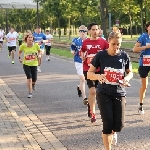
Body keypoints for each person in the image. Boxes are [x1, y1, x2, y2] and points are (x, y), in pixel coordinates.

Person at [87, 32, 133, 150]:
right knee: (107, 125)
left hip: (119, 93)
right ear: (108, 42)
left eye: (118, 44)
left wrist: (126, 79)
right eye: (113, 44)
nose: (116, 47)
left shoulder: (124, 56)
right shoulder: (101, 55)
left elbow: (130, 72)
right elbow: (89, 73)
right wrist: (98, 76)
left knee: (119, 125)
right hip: (104, 93)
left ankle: (114, 131)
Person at [80, 22, 109, 123]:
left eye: (97, 29)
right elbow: (82, 51)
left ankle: (90, 105)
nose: (95, 31)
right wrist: (82, 55)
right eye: (93, 29)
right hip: (87, 69)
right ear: (89, 31)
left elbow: (109, 52)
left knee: (99, 92)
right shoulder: (85, 42)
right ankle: (93, 113)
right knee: (92, 91)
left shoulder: (103, 42)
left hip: (100, 70)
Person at [133, 22, 150, 114]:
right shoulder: (143, 37)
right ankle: (141, 105)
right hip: (144, 63)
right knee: (144, 86)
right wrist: (146, 47)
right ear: (147, 28)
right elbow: (134, 49)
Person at [18, 33, 41, 98]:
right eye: (29, 37)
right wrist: (19, 58)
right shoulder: (23, 46)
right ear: (26, 39)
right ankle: (30, 92)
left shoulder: (36, 45)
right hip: (26, 64)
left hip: (34, 63)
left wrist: (39, 55)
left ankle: (33, 84)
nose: (30, 39)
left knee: (34, 79)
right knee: (29, 77)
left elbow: (39, 51)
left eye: (31, 37)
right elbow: (19, 52)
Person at [70, 25, 87, 103]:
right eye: (81, 31)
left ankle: (79, 87)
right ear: (79, 32)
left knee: (87, 79)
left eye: (84, 31)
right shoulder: (76, 40)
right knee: (82, 78)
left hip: (87, 62)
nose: (82, 33)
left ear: (87, 32)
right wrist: (73, 52)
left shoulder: (89, 40)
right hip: (78, 61)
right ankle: (84, 98)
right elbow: (72, 49)